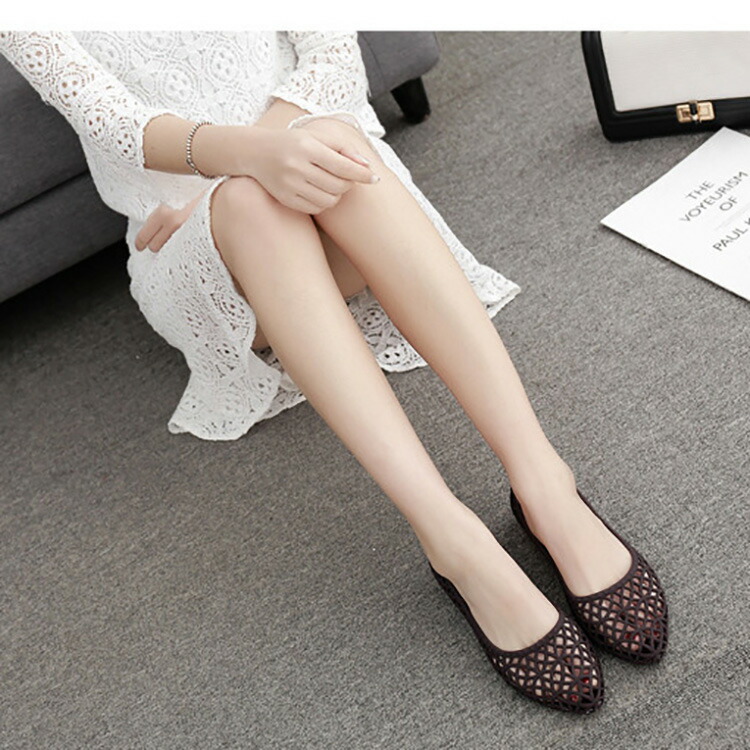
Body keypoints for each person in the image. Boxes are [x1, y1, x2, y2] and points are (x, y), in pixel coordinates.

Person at [0, 30, 667, 713]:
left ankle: (544, 484)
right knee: (253, 202)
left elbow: (334, 55)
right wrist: (240, 178)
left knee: (331, 145)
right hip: (198, 242)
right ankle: (452, 537)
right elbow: (117, 125)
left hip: (323, 183)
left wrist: (266, 156)